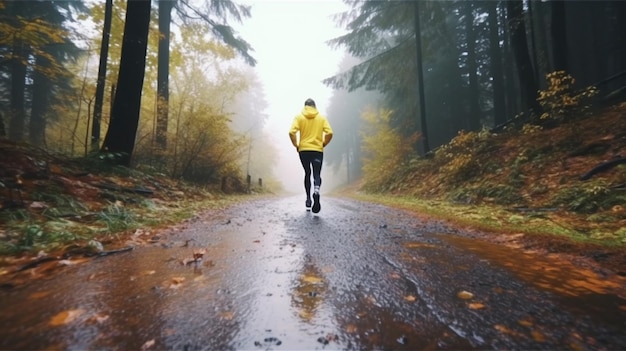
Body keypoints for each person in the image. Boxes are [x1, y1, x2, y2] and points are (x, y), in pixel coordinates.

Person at [289, 98, 333, 213]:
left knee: (307, 173)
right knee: (316, 174)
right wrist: (323, 143)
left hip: (303, 150)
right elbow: (329, 133)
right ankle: (316, 191)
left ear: (305, 106)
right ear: (315, 106)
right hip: (317, 150)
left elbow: (291, 132)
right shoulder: (321, 118)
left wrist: (296, 145)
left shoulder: (299, 117)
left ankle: (308, 199)